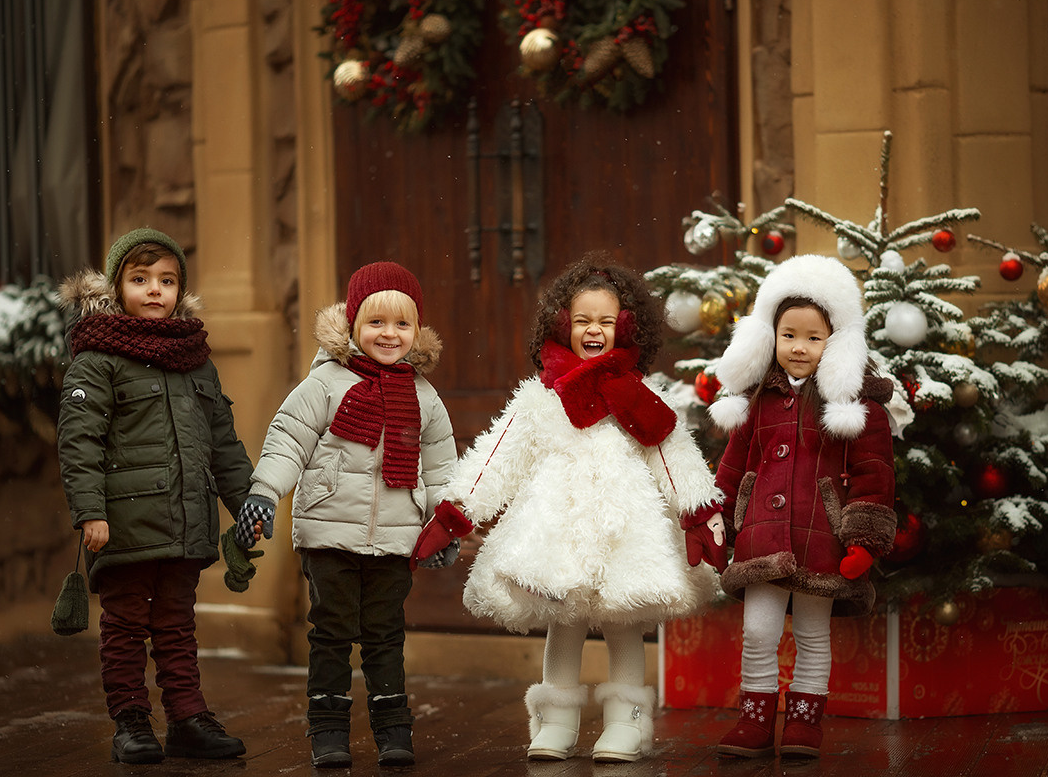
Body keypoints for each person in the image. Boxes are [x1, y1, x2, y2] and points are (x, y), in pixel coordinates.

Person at [410, 255, 725, 763]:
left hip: (625, 527)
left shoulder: (639, 395)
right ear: (563, 325)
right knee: (565, 619)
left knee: (623, 617)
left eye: (606, 321)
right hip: (557, 526)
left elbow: (672, 453)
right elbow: (498, 456)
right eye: (582, 320)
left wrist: (698, 509)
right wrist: (456, 510)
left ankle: (627, 722)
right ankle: (555, 721)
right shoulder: (542, 396)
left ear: (626, 326)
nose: (593, 330)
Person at [238, 261, 456, 769]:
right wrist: (265, 492)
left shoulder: (423, 396)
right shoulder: (326, 384)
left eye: (402, 323)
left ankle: (394, 729)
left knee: (385, 634)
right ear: (353, 324)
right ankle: (328, 730)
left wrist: (442, 524)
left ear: (417, 330)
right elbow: (288, 440)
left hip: (394, 538)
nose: (389, 334)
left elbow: (442, 468)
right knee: (331, 632)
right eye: (376, 322)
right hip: (328, 534)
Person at [57, 228, 253, 764]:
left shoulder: (196, 361)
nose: (154, 290)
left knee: (176, 625)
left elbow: (223, 444)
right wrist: (90, 512)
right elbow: (79, 441)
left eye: (166, 281)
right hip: (123, 525)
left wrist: (246, 506)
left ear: (179, 290)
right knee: (125, 626)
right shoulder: (98, 358)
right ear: (117, 287)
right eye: (140, 279)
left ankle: (187, 719)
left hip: (186, 522)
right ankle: (131, 722)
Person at [705, 254, 897, 759]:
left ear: (835, 341)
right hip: (761, 536)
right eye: (789, 334)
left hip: (823, 540)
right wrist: (717, 520)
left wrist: (863, 537)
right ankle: (754, 720)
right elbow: (733, 464)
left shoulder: (853, 404)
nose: (799, 347)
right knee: (758, 631)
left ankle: (805, 723)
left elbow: (874, 474)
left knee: (812, 633)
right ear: (770, 335)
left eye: (814, 338)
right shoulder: (759, 398)